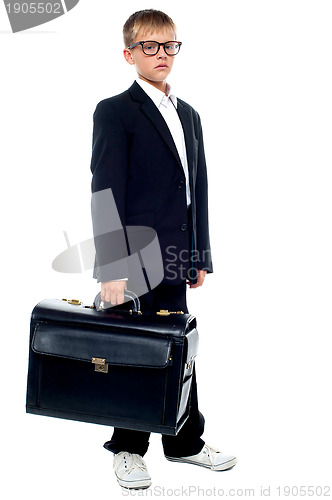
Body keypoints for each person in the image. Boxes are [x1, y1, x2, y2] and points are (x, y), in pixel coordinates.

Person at [90, 9, 237, 490]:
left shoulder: (189, 114)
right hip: (131, 259)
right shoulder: (115, 111)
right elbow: (105, 191)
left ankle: (184, 442)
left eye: (169, 46)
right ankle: (128, 449)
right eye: (150, 47)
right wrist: (111, 268)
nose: (161, 55)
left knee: (178, 350)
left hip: (176, 257)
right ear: (129, 54)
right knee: (135, 352)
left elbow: (199, 190)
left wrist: (200, 256)